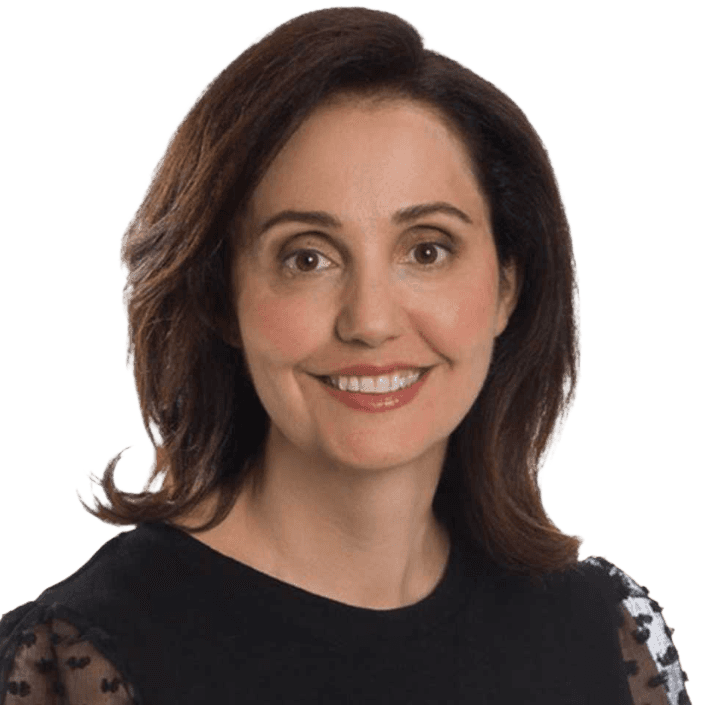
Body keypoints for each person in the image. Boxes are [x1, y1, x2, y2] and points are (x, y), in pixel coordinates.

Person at [0, 7, 692, 705]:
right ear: (222, 298)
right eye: (307, 257)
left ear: (507, 286)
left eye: (427, 250)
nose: (369, 322)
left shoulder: (603, 635)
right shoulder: (76, 661)